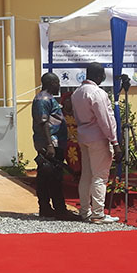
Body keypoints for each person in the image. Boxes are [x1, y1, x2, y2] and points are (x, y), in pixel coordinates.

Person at [71, 63, 123, 224]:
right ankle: (98, 214)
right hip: (98, 138)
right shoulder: (97, 93)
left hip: (84, 136)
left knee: (86, 175)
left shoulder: (77, 93)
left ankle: (85, 211)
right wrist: (115, 142)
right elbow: (105, 120)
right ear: (100, 76)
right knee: (100, 176)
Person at [31, 72, 77, 220]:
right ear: (51, 83)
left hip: (55, 142)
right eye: (57, 82)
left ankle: (47, 208)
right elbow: (43, 122)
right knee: (53, 177)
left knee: (47, 177)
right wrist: (50, 144)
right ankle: (58, 209)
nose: (59, 85)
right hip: (51, 143)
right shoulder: (42, 99)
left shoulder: (50, 99)